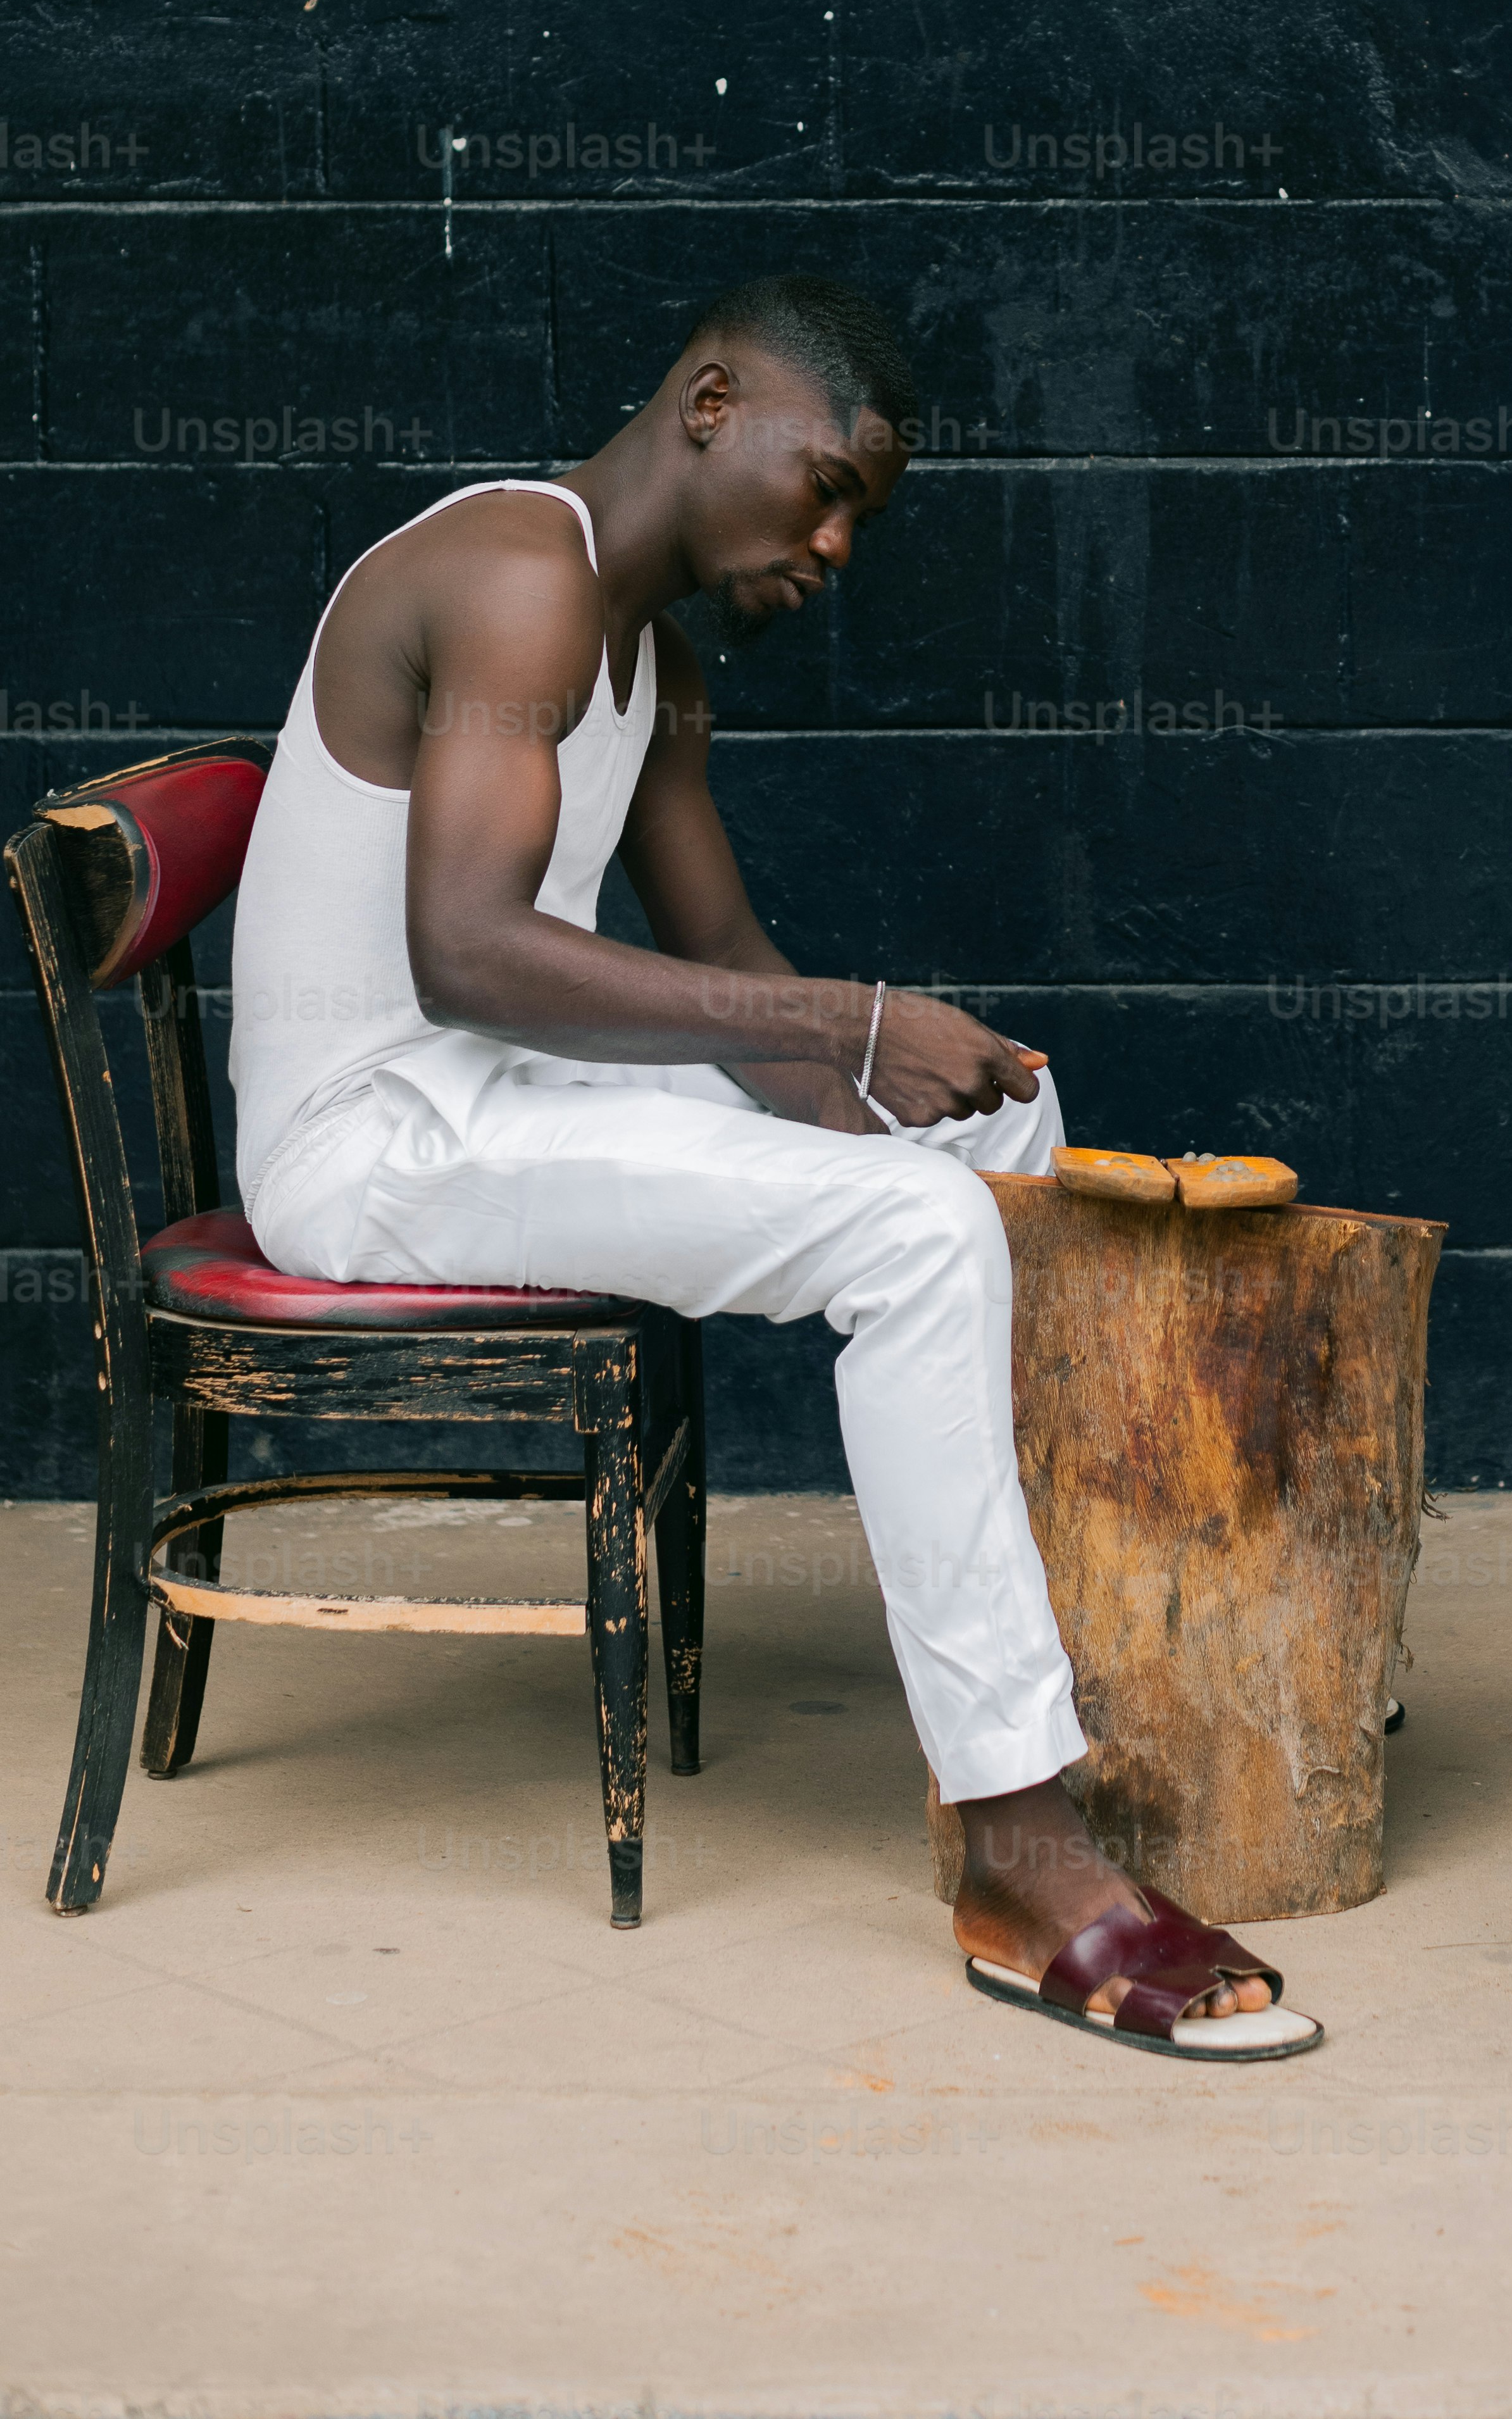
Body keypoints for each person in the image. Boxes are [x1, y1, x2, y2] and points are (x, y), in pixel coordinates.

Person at [228, 270, 1320, 2061]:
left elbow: (732, 975)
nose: (830, 540)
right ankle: (1022, 1848)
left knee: (985, 1143)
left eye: (855, 520)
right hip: (377, 1135)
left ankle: (1068, 1656)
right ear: (713, 401)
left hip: (505, 1098)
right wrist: (850, 1028)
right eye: (826, 487)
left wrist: (871, 1087)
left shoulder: (645, 662)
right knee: (913, 1238)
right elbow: (469, 952)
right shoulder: (520, 570)